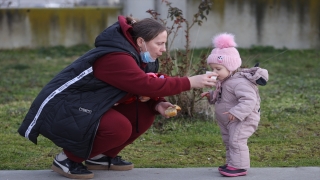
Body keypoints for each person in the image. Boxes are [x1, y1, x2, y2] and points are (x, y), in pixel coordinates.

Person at [18, 15, 217, 179]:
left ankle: (101, 156)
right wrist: (190, 81)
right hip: (64, 107)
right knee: (118, 128)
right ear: (141, 42)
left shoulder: (142, 56)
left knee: (146, 110)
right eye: (160, 43)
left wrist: (159, 103)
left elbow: (147, 84)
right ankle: (67, 159)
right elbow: (143, 84)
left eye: (164, 43)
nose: (164, 49)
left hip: (90, 105)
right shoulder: (115, 57)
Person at [201, 33, 268, 177]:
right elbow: (223, 98)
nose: (214, 72)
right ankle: (232, 163)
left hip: (243, 118)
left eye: (218, 69)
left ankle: (239, 167)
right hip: (228, 120)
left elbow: (249, 100)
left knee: (236, 141)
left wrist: (237, 113)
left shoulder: (239, 82)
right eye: (212, 68)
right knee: (228, 141)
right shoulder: (224, 81)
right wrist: (211, 95)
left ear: (230, 68)